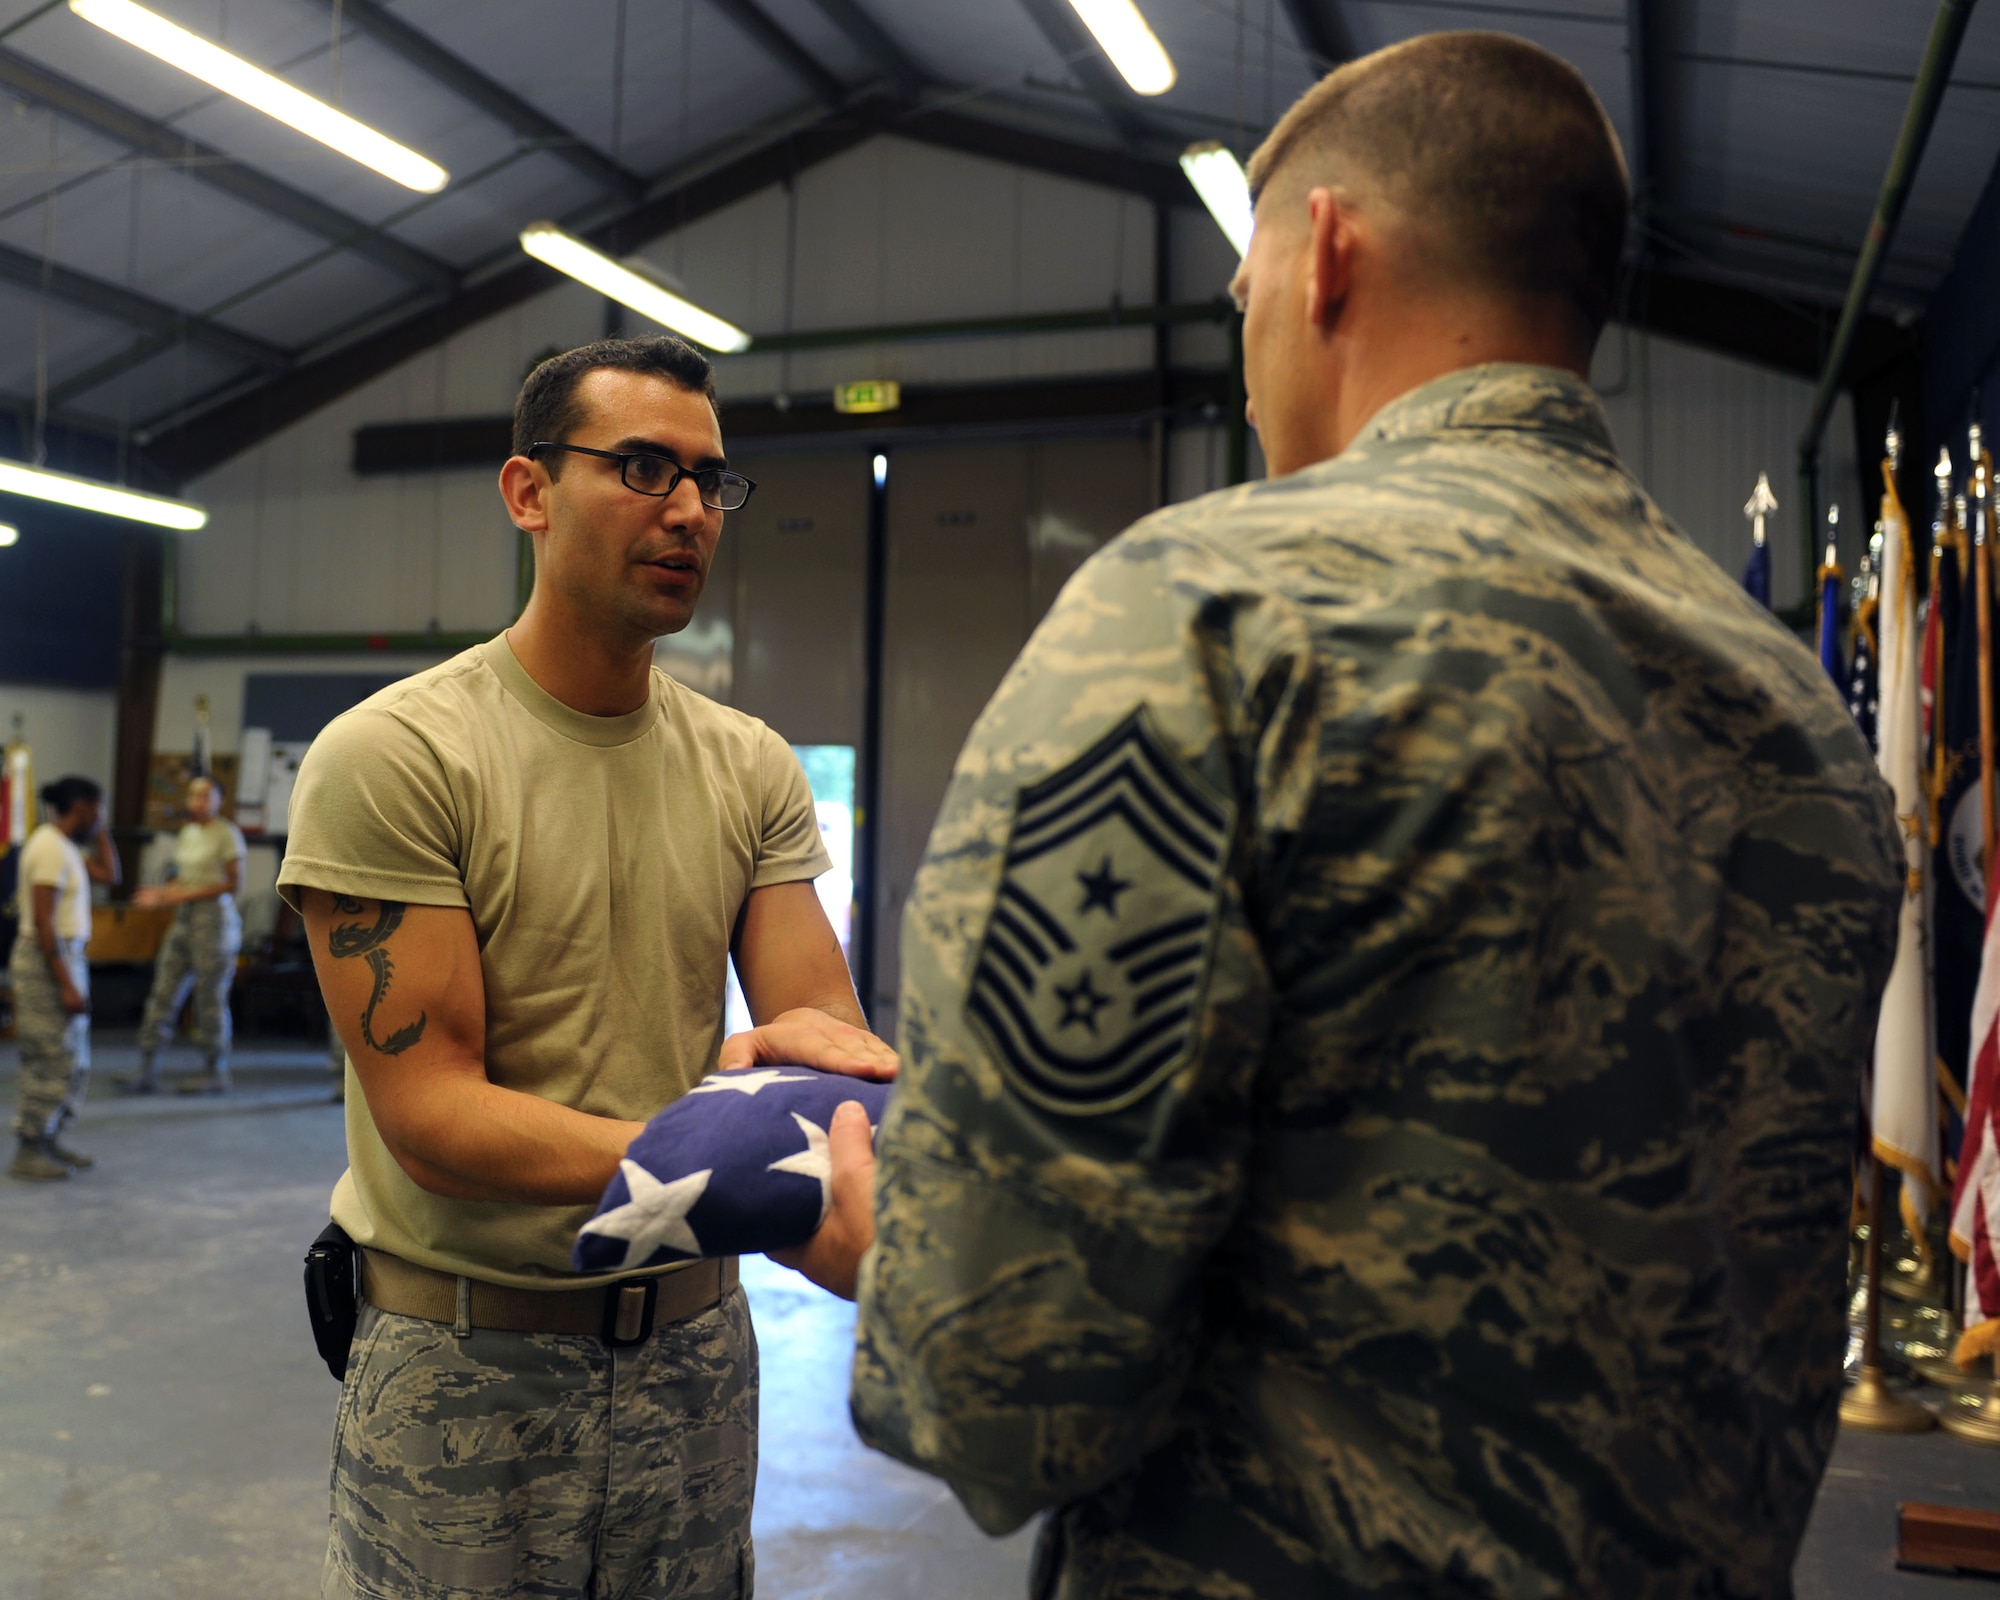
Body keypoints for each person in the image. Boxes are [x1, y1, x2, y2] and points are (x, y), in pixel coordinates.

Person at [780, 32, 1905, 1599]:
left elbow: (1001, 1391)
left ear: (1321, 259)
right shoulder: (1803, 719)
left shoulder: (1207, 615)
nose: (1247, 366)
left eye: (1240, 306)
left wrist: (884, 1248)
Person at [279, 333, 897, 1600]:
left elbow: (818, 1032)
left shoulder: (749, 764)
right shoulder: (396, 756)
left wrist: (826, 1112)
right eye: (641, 467)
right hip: (468, 1360)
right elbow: (434, 1117)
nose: (686, 510)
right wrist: (717, 1152)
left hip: (694, 1356)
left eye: (709, 480)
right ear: (528, 491)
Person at [8, 776, 119, 1180]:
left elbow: (110, 873)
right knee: (50, 1056)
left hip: (66, 958)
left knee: (71, 1057)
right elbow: (43, 922)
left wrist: (99, 827)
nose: (102, 818)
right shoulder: (49, 849)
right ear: (84, 807)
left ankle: (49, 1138)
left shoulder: (65, 846)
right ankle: (28, 1148)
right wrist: (67, 983)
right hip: (47, 960)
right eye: (100, 809)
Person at [121, 775, 246, 1095]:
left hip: (214, 921)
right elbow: (181, 880)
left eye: (205, 796)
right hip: (184, 919)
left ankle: (216, 1071)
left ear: (219, 800)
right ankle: (147, 1067)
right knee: (163, 992)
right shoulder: (188, 833)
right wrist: (162, 894)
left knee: (209, 999)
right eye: (193, 795)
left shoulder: (227, 834)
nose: (197, 802)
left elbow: (234, 884)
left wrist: (175, 896)